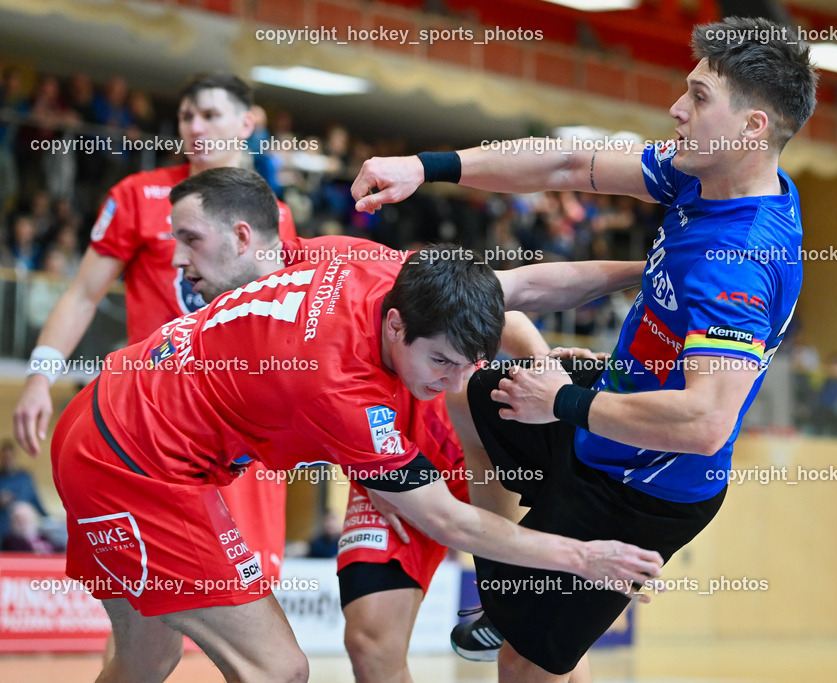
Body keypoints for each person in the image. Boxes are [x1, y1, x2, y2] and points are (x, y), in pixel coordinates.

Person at [50, 167, 662, 682]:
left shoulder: (376, 268)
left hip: (107, 412)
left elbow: (524, 286)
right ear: (395, 328)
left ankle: (503, 599)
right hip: (133, 460)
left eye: (465, 365)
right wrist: (582, 557)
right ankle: (505, 595)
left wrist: (653, 268)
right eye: (441, 364)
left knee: (145, 657)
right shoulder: (343, 391)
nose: (452, 384)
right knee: (278, 669)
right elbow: (444, 518)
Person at [350, 15, 817, 680]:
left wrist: (563, 401)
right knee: (467, 395)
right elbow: (566, 161)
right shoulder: (701, 176)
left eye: (700, 97)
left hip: (642, 487)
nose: (677, 109)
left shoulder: (736, 257)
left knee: (524, 667)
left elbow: (705, 422)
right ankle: (509, 588)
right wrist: (427, 166)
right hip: (605, 411)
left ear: (753, 129)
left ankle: (523, 615)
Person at [167, 167, 549, 682]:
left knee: (535, 643)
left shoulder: (338, 260)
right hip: (392, 467)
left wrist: (551, 376)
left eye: (190, 242)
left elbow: (509, 313)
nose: (181, 265)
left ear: (242, 240)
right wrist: (381, 477)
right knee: (369, 640)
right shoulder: (243, 344)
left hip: (482, 451)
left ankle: (510, 594)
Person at [13, 73, 295, 596]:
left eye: (210, 114)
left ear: (247, 124)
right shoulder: (139, 195)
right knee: (147, 611)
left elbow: (284, 327)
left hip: (242, 427)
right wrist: (38, 378)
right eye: (187, 116)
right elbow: (81, 294)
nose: (195, 126)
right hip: (156, 424)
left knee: (254, 601)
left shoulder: (274, 215)